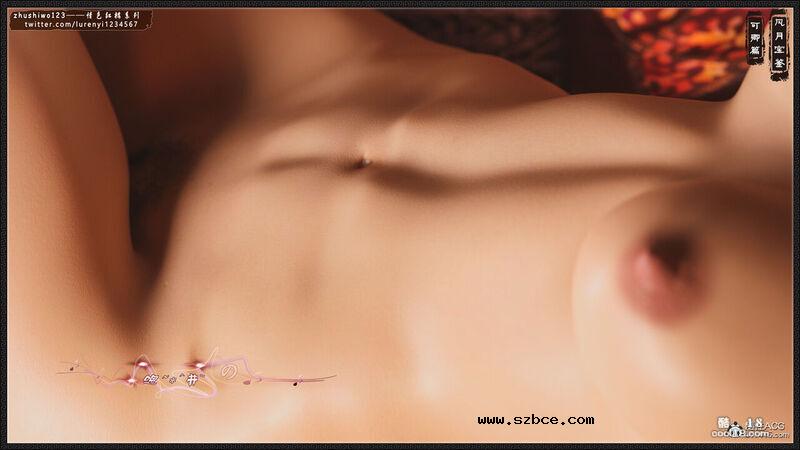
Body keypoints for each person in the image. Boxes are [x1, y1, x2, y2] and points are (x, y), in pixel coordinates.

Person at [7, 8, 792, 442]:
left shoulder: (747, 414)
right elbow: (772, 36)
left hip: (154, 371)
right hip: (286, 82)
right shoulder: (774, 119)